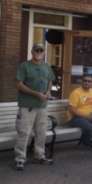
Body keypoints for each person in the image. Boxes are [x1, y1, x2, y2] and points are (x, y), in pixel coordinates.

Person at [14, 42, 55, 171]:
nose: (39, 52)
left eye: (41, 50)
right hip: (27, 105)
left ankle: (39, 156)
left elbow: (50, 80)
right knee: (24, 132)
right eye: (36, 50)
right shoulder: (24, 66)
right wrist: (35, 93)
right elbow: (18, 84)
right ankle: (20, 159)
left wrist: (48, 92)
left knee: (41, 132)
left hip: (42, 105)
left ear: (43, 53)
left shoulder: (46, 66)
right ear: (32, 52)